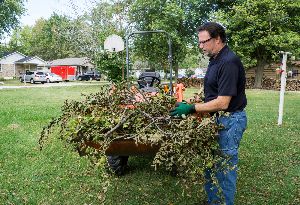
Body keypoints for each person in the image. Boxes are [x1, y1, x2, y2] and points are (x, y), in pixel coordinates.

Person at [170, 22, 247, 205]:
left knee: (224, 168)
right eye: (199, 42)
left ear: (218, 39)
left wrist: (192, 109)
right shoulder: (215, 59)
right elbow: (213, 95)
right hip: (216, 120)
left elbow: (223, 102)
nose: (200, 46)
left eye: (204, 42)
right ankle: (213, 201)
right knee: (210, 163)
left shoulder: (228, 62)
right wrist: (192, 103)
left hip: (229, 121)